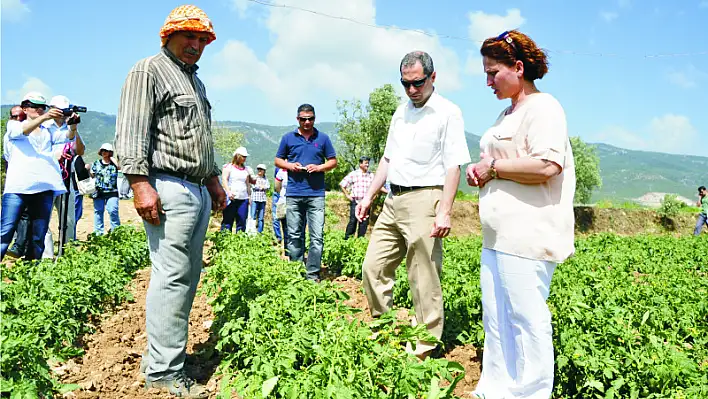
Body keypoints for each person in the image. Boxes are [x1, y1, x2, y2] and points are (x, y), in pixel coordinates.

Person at [114, 5, 225, 397]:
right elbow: (131, 132)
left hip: (195, 188)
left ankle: (163, 356)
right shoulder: (149, 71)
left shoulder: (195, 81)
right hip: (168, 186)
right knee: (172, 278)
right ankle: (163, 372)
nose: (195, 44)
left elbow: (200, 139)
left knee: (187, 277)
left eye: (201, 39)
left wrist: (213, 180)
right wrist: (141, 185)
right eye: (189, 36)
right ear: (169, 35)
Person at [465, 30, 576, 399]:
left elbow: (547, 165)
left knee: (526, 321)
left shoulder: (545, 108)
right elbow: (504, 162)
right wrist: (482, 169)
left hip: (528, 236)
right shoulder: (506, 113)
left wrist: (493, 168)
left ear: (517, 67)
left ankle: (530, 394)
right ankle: (495, 389)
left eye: (493, 72)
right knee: (497, 320)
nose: (488, 81)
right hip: (498, 237)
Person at [356, 51, 471, 359]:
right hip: (394, 199)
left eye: (417, 83)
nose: (411, 90)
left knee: (422, 276)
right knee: (373, 268)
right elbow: (387, 158)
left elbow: (453, 165)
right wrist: (369, 196)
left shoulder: (448, 112)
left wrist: (445, 209)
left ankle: (423, 345)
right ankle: (386, 329)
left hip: (425, 198)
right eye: (405, 84)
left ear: (433, 78)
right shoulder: (400, 112)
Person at [1, 92, 74, 260]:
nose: (40, 110)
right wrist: (46, 116)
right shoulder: (14, 125)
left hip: (44, 188)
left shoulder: (47, 131)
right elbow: (22, 131)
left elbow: (67, 137)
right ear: (25, 108)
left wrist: (73, 126)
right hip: (18, 188)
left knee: (38, 236)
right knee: (5, 231)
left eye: (43, 107)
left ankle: (31, 274)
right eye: (35, 107)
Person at [275, 104, 337, 281]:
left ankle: (312, 273)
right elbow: (278, 160)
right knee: (294, 234)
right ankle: (296, 271)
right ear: (298, 119)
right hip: (294, 193)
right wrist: (290, 166)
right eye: (303, 119)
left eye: (310, 119)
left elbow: (333, 161)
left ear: (314, 119)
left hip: (316, 194)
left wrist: (319, 167)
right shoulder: (288, 138)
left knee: (316, 236)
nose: (307, 122)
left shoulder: (323, 138)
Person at [41, 95, 86, 257]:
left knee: (68, 220)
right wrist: (56, 154)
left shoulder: (70, 128)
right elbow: (39, 152)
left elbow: (80, 151)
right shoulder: (44, 127)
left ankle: (66, 254)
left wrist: (73, 129)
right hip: (46, 180)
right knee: (43, 220)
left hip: (66, 180)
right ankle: (47, 256)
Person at [340, 156, 376, 239]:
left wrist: (373, 198)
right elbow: (342, 184)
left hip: (366, 202)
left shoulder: (371, 175)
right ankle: (347, 240)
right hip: (355, 201)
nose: (367, 165)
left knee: (364, 222)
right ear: (360, 164)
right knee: (353, 221)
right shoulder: (354, 174)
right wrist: (347, 195)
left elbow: (375, 187)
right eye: (365, 163)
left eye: (368, 163)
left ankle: (360, 240)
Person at [89, 143, 121, 235]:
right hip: (99, 192)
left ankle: (117, 232)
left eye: (106, 151)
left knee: (113, 210)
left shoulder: (114, 164)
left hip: (112, 192)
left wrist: (113, 159)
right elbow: (92, 174)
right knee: (98, 212)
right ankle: (98, 234)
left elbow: (120, 167)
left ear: (110, 152)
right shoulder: (96, 163)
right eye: (103, 150)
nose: (104, 152)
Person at [221, 147, 252, 233]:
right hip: (231, 198)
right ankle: (224, 239)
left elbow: (247, 184)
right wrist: (228, 192)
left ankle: (239, 241)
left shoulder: (246, 169)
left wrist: (249, 196)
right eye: (243, 156)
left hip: (243, 198)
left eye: (245, 157)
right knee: (227, 221)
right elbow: (224, 179)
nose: (245, 158)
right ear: (237, 156)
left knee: (242, 222)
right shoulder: (228, 167)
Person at [251, 164, 270, 233]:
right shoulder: (254, 178)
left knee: (261, 218)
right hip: (255, 199)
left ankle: (260, 232)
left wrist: (262, 187)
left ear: (264, 171)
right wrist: (261, 187)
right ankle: (252, 231)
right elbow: (253, 186)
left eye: (261, 169)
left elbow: (268, 187)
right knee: (253, 216)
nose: (259, 170)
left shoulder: (266, 179)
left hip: (262, 199)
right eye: (258, 169)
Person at [271, 166, 283, 243]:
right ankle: (278, 237)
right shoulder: (278, 168)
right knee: (275, 217)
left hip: (286, 194)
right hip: (277, 194)